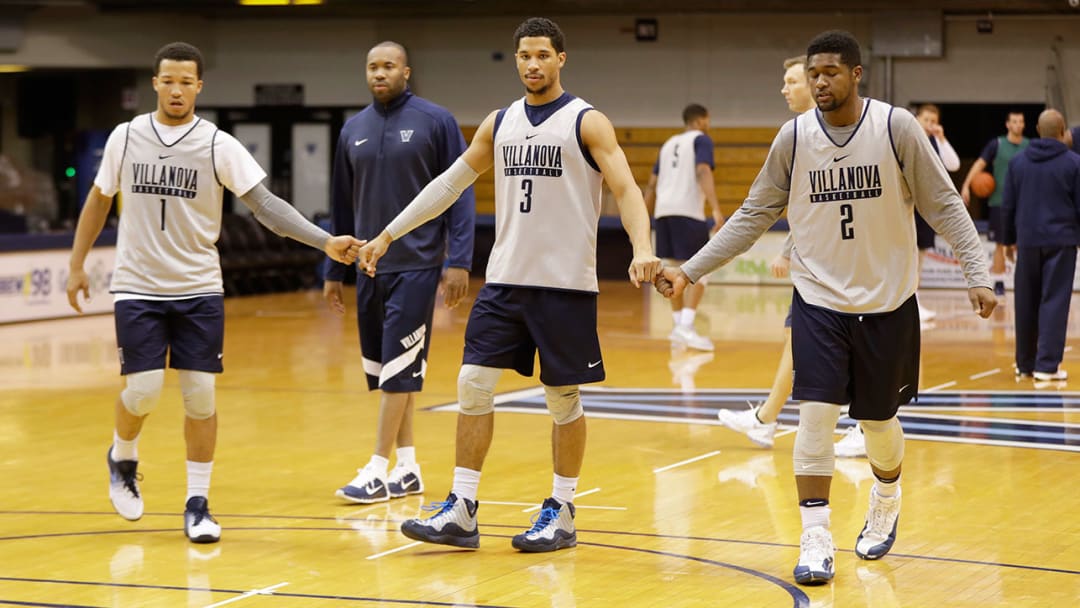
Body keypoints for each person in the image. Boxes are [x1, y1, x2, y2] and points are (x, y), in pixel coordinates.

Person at [657, 31, 994, 585]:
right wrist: (689, 269)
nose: (819, 82)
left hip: (887, 301)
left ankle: (886, 495)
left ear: (857, 74)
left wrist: (976, 272)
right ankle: (815, 536)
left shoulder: (895, 128)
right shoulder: (793, 138)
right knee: (814, 414)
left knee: (878, 422)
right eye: (813, 73)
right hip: (818, 299)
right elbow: (752, 215)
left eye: (831, 72)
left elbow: (945, 205)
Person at [357, 17, 661, 553]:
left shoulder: (587, 122)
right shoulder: (499, 123)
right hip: (503, 282)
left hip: (564, 286)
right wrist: (387, 234)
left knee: (562, 400)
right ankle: (462, 508)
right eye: (524, 55)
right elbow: (448, 185)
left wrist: (642, 248)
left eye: (542, 55)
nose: (532, 64)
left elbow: (626, 188)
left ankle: (562, 510)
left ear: (560, 59)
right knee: (472, 384)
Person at [65, 42, 362, 543]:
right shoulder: (126, 136)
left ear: (199, 86)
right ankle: (122, 455)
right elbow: (98, 200)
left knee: (200, 397)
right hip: (138, 285)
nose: (176, 90)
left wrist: (325, 240)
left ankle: (198, 503)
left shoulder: (217, 144)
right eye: (168, 80)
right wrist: (76, 265)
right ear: (154, 83)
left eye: (186, 82)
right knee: (143, 390)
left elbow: (266, 206)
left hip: (199, 286)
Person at [324, 41, 475, 505]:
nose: (379, 73)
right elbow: (341, 204)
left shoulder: (436, 121)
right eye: (372, 67)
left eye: (388, 66)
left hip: (418, 265)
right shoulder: (352, 129)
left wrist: (458, 260)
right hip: (368, 269)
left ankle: (376, 468)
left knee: (398, 371)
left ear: (406, 72)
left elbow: (461, 192)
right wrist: (332, 270)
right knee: (392, 371)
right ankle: (407, 467)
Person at [716, 54, 868, 459]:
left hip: (855, 266)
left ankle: (862, 424)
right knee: (795, 338)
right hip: (817, 267)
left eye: (792, 81)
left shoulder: (849, 135)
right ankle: (767, 418)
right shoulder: (797, 136)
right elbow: (803, 207)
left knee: (851, 344)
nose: (785, 89)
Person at [1002, 109, 1080, 382]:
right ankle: (1047, 367)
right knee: (1054, 301)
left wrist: (1007, 240)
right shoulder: (1074, 163)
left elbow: (1007, 205)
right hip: (1061, 242)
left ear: (1037, 129)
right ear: (1063, 131)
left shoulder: (1018, 162)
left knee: (1025, 301)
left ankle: (1024, 364)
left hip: (1027, 241)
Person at [643, 103, 722, 352]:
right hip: (688, 212)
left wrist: (643, 217)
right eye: (707, 120)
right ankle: (686, 326)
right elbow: (703, 170)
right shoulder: (702, 140)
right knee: (702, 270)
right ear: (700, 121)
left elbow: (651, 184)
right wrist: (716, 208)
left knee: (672, 271)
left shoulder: (668, 144)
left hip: (663, 213)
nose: (708, 125)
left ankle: (678, 327)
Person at [961, 111, 1029, 297]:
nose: (1018, 124)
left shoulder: (1029, 146)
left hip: (1024, 202)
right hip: (1000, 201)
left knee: (1023, 244)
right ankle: (999, 282)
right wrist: (966, 185)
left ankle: (1025, 282)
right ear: (1007, 124)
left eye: (1020, 121)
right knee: (1000, 244)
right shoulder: (997, 144)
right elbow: (979, 165)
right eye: (1014, 121)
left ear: (1024, 124)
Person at [913, 103, 961, 322]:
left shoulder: (934, 141)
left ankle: (914, 302)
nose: (929, 124)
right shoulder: (908, 137)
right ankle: (907, 304)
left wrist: (941, 138)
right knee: (908, 256)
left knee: (920, 256)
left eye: (933, 121)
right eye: (926, 120)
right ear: (917, 119)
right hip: (907, 205)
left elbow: (954, 164)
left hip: (925, 207)